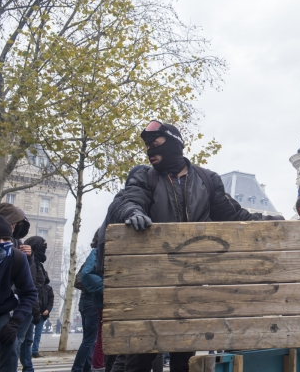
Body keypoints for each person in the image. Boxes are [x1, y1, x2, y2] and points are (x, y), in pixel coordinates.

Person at [109, 120, 265, 372]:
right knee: (139, 354)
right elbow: (130, 199)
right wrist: (132, 212)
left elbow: (233, 215)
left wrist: (269, 224)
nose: (150, 152)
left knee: (184, 353)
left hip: (190, 281)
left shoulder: (208, 179)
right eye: (147, 147)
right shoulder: (144, 176)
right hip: (151, 280)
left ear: (174, 144)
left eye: (156, 144)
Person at [0, 203, 37, 372]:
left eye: (6, 240)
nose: (1, 243)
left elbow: (29, 292)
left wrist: (15, 322)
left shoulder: (18, 258)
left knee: (11, 345)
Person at [21, 236, 54, 363]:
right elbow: (32, 289)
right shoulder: (32, 263)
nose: (45, 250)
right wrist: (36, 311)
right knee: (20, 339)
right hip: (28, 306)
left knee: (27, 339)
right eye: (43, 247)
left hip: (33, 307)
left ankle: (28, 368)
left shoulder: (37, 263)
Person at [71, 237, 100, 372]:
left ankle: (86, 368)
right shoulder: (97, 254)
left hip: (85, 300)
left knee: (89, 339)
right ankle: (77, 369)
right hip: (92, 300)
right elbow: (86, 276)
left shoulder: (92, 256)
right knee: (90, 339)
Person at [80, 230, 105, 372]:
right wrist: (106, 288)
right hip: (103, 303)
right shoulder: (97, 252)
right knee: (101, 338)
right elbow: (86, 274)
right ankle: (98, 367)